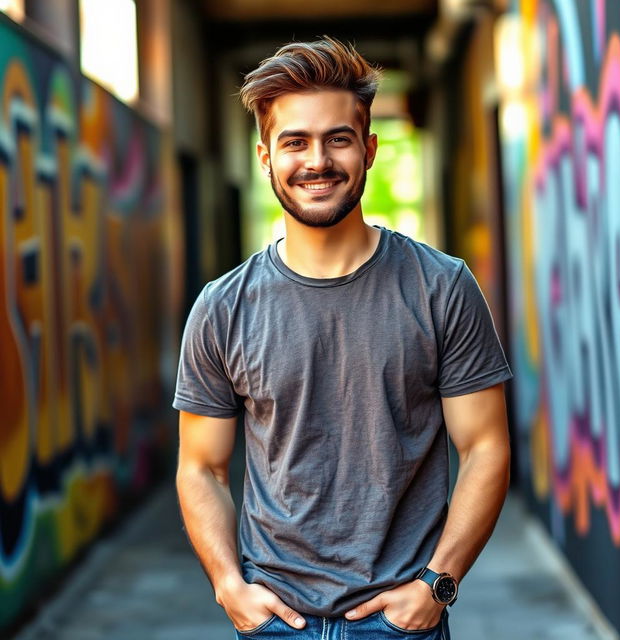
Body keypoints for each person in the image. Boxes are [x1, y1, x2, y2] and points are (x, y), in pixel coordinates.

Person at [173, 37, 512, 639]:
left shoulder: (441, 287)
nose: (317, 161)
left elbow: (486, 446)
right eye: (294, 142)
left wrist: (439, 583)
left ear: (370, 148)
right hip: (274, 618)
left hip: (400, 620)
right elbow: (201, 467)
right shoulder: (222, 308)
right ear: (264, 157)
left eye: (338, 138)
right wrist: (228, 585)